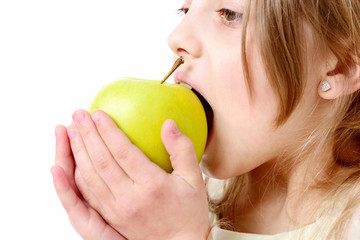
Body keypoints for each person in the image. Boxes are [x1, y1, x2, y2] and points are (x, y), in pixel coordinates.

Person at [51, 0, 360, 239]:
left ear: (340, 67)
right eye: (185, 9)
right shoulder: (175, 203)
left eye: (229, 13)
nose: (177, 37)